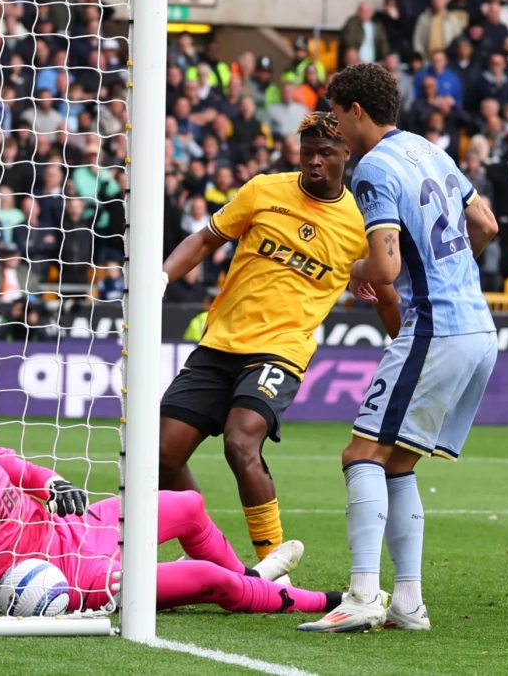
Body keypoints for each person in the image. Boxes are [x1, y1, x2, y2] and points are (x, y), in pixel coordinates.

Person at [0, 359, 332, 618]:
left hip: (78, 530)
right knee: (209, 580)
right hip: (73, 580)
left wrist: (53, 482)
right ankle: (322, 602)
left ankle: (253, 579)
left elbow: (17, 468)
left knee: (187, 505)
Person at [306, 62, 499, 633]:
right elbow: (484, 223)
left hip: (436, 325)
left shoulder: (372, 170)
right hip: (478, 326)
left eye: (337, 115)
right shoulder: (429, 149)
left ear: (356, 111)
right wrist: (452, 269)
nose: (335, 127)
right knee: (397, 463)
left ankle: (364, 593)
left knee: (359, 456)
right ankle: (408, 604)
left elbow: (386, 265)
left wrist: (355, 270)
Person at [158, 113, 399, 563]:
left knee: (240, 442)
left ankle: (273, 567)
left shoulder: (361, 221)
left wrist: (405, 349)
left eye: (325, 153)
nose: (314, 162)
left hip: (281, 349)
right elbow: (206, 240)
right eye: (307, 152)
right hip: (220, 342)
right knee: (160, 455)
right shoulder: (263, 189)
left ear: (347, 153)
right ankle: (213, 557)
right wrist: (161, 278)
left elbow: (385, 295)